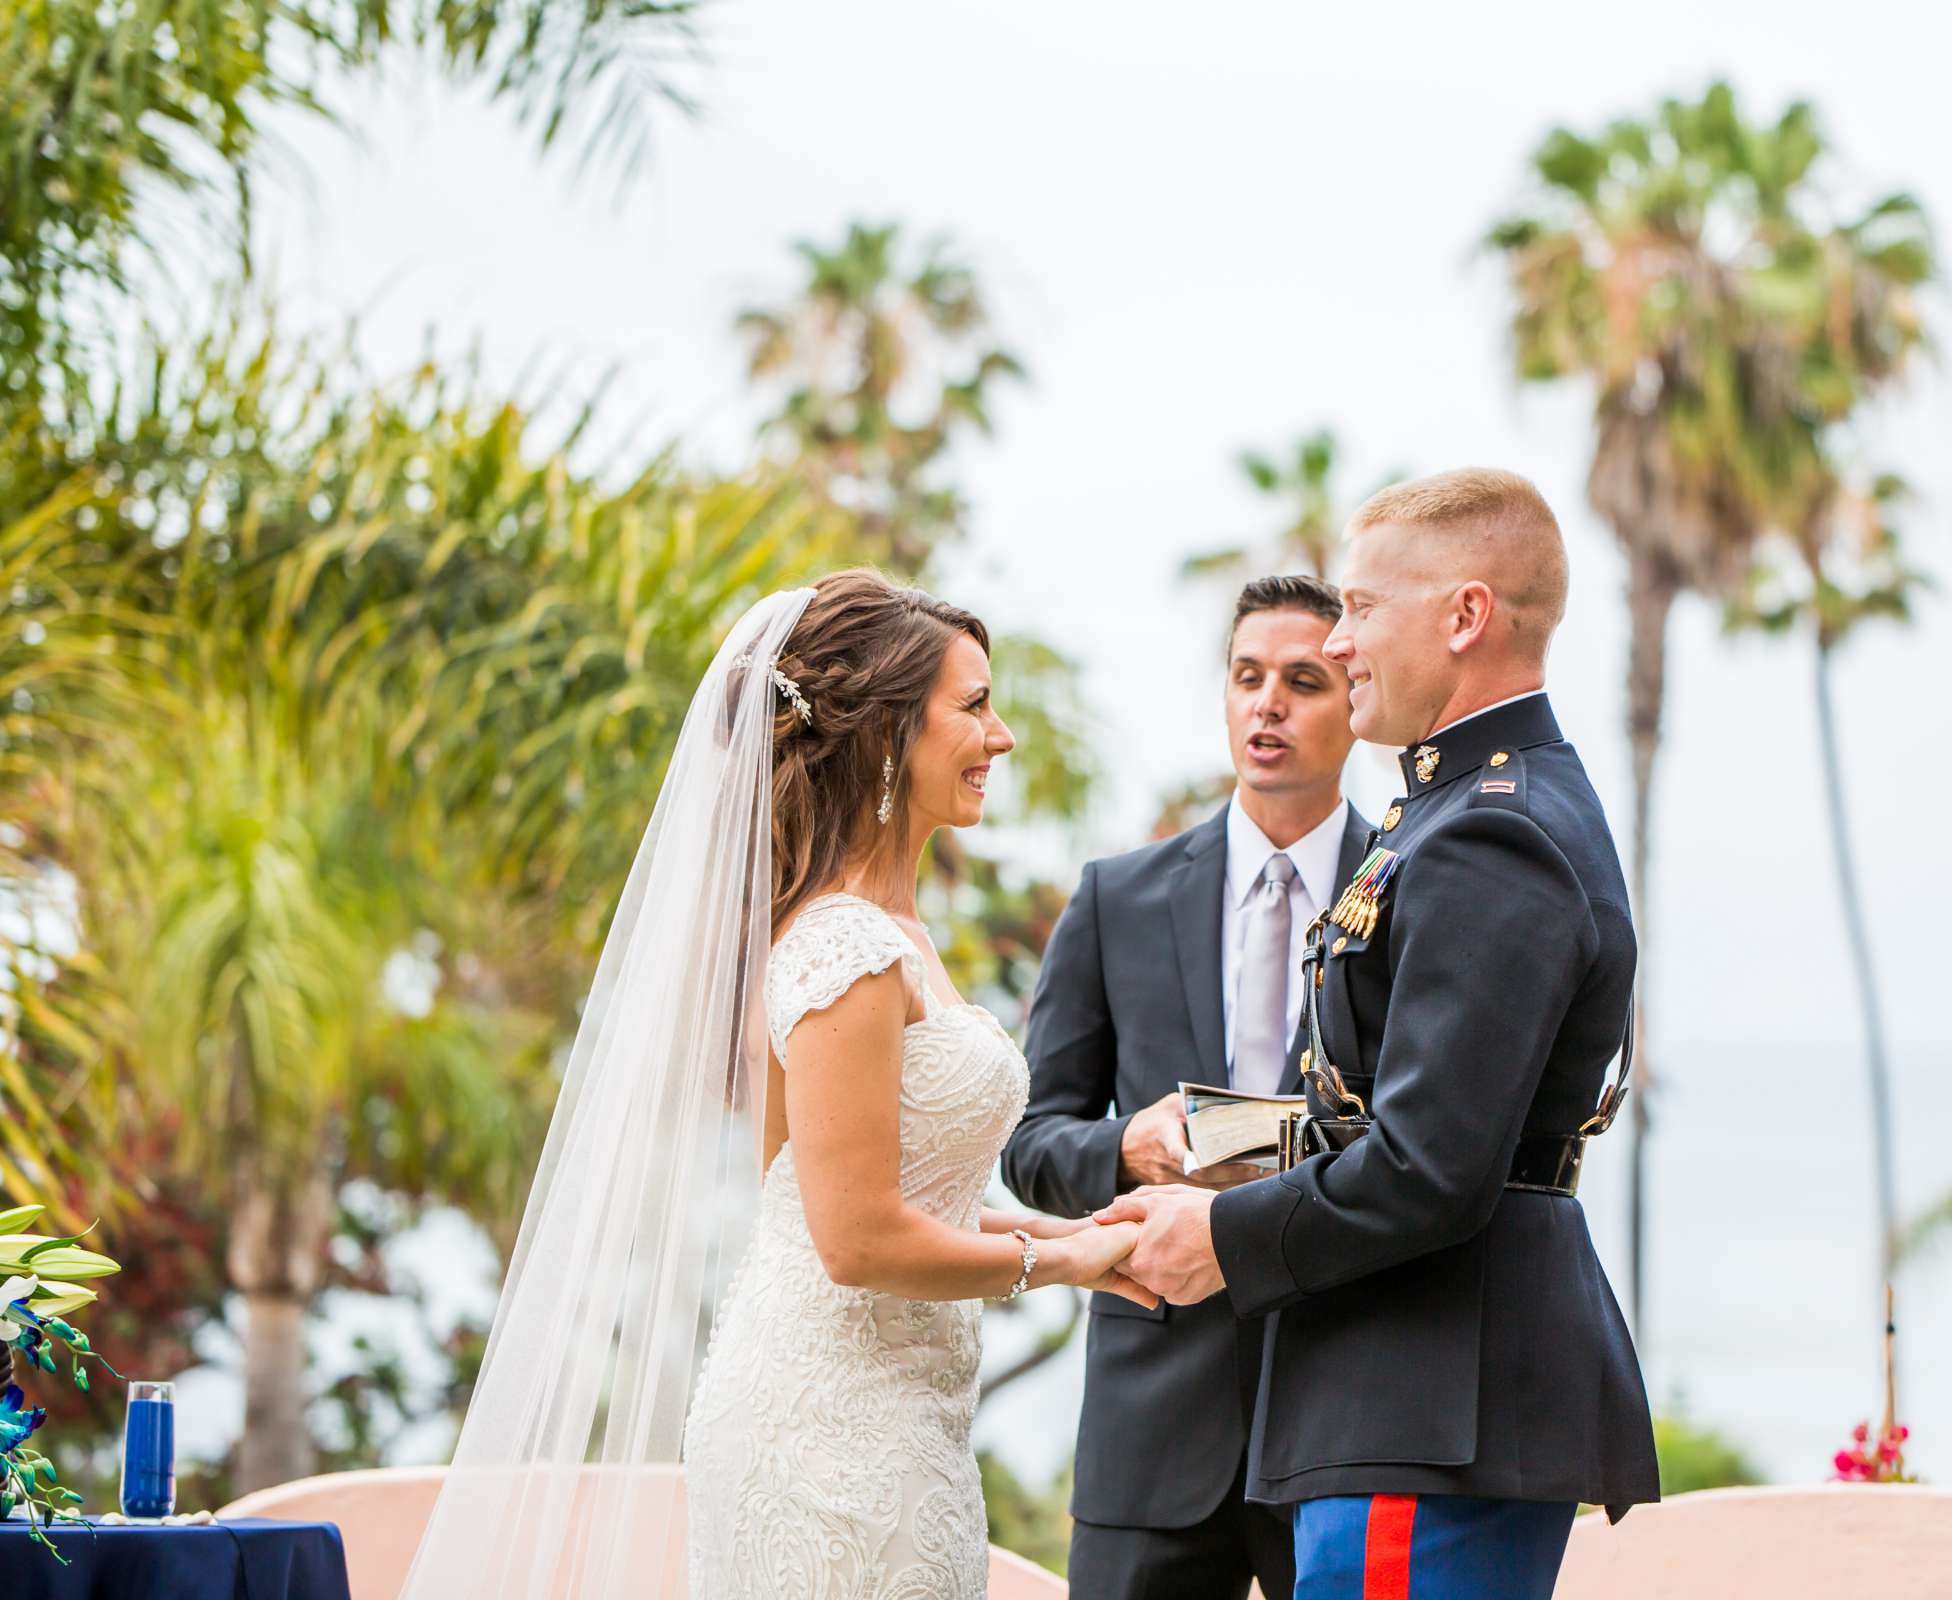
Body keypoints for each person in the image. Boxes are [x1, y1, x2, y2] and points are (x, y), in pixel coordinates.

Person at [396, 572, 1149, 1600]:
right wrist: (1065, 1267)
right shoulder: (845, 944)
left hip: (896, 1415)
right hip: (830, 1433)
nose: (1002, 736)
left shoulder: (891, 936)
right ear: (888, 735)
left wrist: (1098, 1234)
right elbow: (853, 1239)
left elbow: (863, 1190)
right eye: (975, 707)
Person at [1100, 469, 1656, 1599]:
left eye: (1361, 608)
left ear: (1465, 616)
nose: (1340, 639)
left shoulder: (1492, 834)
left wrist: (1224, 1240)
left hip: (1428, 1399)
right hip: (1405, 1393)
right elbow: (1381, 1110)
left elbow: (1428, 1167)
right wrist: (1200, 1154)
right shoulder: (1446, 812)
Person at [1002, 575, 1368, 1600]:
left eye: (1303, 681)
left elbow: (1418, 1138)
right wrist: (1129, 1146)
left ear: (1356, 702)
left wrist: (1219, 1138)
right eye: (1248, 677)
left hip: (1344, 1411)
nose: (1269, 704)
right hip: (1150, 1421)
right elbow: (1031, 1144)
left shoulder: (1413, 883)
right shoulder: (1116, 899)